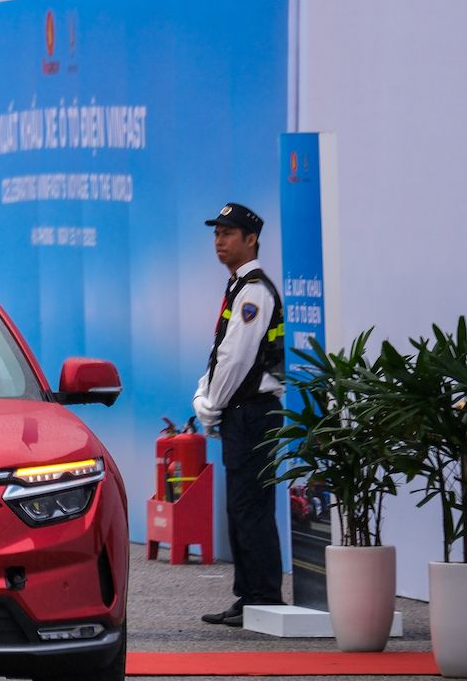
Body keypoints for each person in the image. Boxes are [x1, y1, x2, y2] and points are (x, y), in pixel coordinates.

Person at [193, 201, 287, 625]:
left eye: (228, 234)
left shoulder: (254, 291)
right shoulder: (238, 287)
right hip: (243, 411)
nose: (219, 241)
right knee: (241, 506)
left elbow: (237, 358)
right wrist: (206, 394)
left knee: (251, 507)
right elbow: (222, 353)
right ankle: (248, 596)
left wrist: (211, 405)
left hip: (253, 412)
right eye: (216, 234)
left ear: (251, 239)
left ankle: (263, 596)